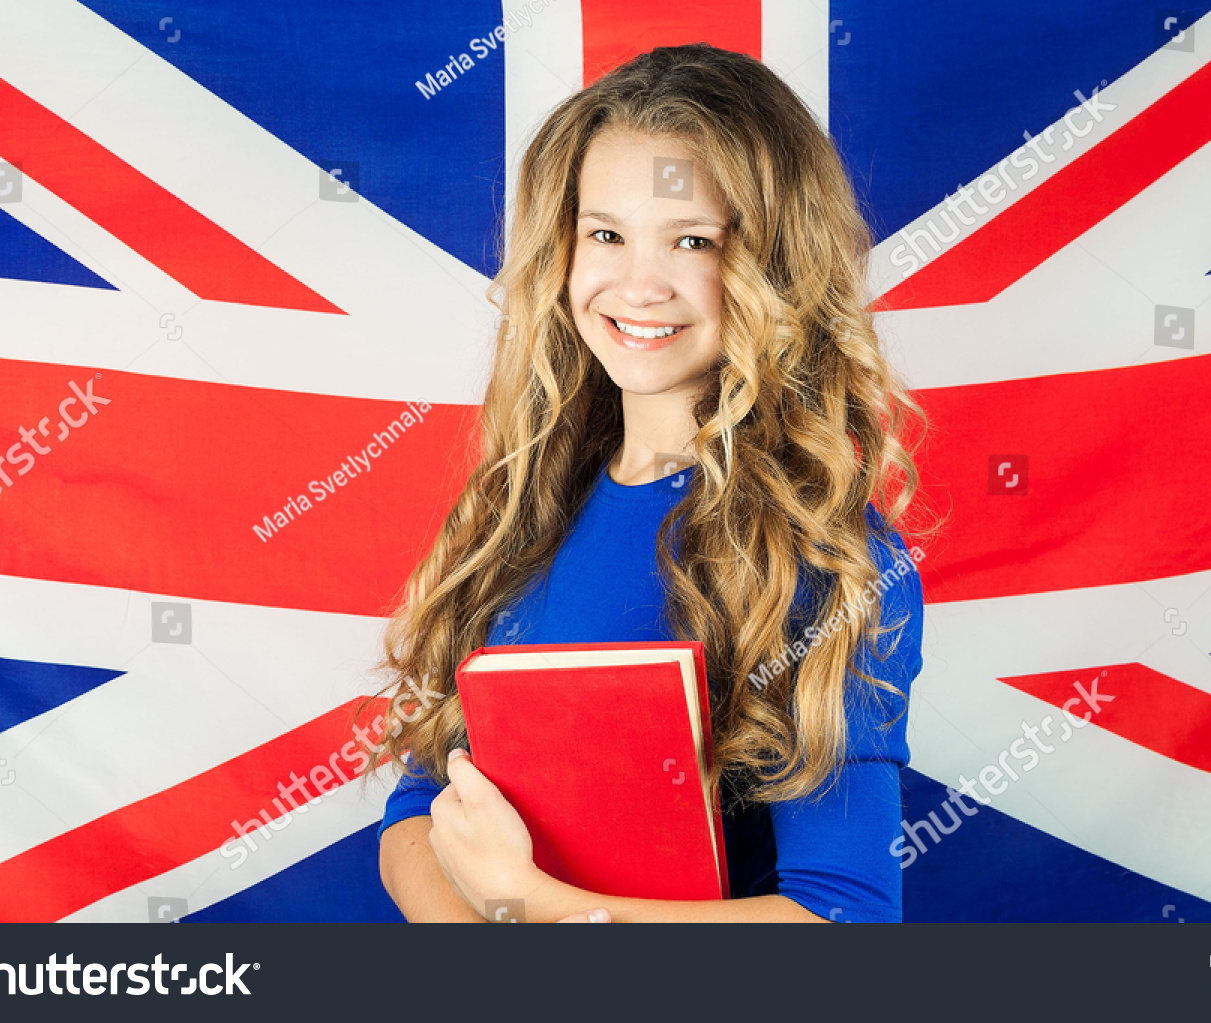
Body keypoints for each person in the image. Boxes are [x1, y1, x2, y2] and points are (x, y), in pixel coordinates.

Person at [372, 42, 936, 923]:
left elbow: (844, 918)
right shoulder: (519, 508)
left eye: (693, 241)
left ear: (774, 265)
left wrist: (529, 904)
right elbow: (421, 806)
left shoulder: (825, 556)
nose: (638, 284)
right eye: (605, 234)